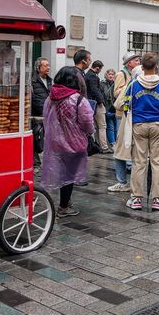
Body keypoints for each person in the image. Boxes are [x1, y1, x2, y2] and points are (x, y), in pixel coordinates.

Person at [41, 66, 95, 217]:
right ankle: (63, 207)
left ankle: (65, 201)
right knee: (69, 175)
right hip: (74, 142)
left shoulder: (51, 96)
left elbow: (46, 117)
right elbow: (87, 123)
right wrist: (90, 133)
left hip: (55, 141)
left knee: (62, 172)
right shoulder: (78, 99)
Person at [123, 53, 159, 211]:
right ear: (156, 66)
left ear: (142, 67)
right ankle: (158, 199)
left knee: (139, 162)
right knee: (158, 163)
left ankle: (136, 198)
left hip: (139, 125)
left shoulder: (133, 85)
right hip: (158, 124)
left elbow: (126, 107)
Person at [107, 52, 141, 193]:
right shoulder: (122, 74)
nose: (138, 62)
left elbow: (120, 102)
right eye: (136, 60)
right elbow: (116, 94)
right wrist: (127, 86)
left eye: (139, 60)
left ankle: (124, 180)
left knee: (123, 147)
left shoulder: (135, 81)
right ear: (129, 63)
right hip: (124, 115)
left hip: (130, 116)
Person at [79, 55, 111, 154]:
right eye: (100, 70)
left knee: (96, 126)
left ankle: (98, 144)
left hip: (90, 103)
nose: (100, 71)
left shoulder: (87, 74)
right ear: (97, 68)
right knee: (102, 126)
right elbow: (95, 90)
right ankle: (104, 147)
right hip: (96, 104)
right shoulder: (92, 76)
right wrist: (101, 101)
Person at [31, 57, 52, 172]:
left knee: (47, 139)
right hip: (36, 114)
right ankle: (36, 164)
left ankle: (47, 163)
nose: (48, 67)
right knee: (35, 139)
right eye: (45, 66)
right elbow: (34, 99)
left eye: (48, 65)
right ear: (38, 68)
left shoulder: (49, 80)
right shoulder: (32, 80)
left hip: (48, 114)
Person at [101, 69, 118, 147]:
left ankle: (117, 143)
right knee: (110, 126)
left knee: (116, 126)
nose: (111, 76)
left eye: (112, 74)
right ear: (106, 75)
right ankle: (112, 143)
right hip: (107, 107)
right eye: (109, 74)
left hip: (116, 108)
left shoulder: (116, 84)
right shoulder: (102, 84)